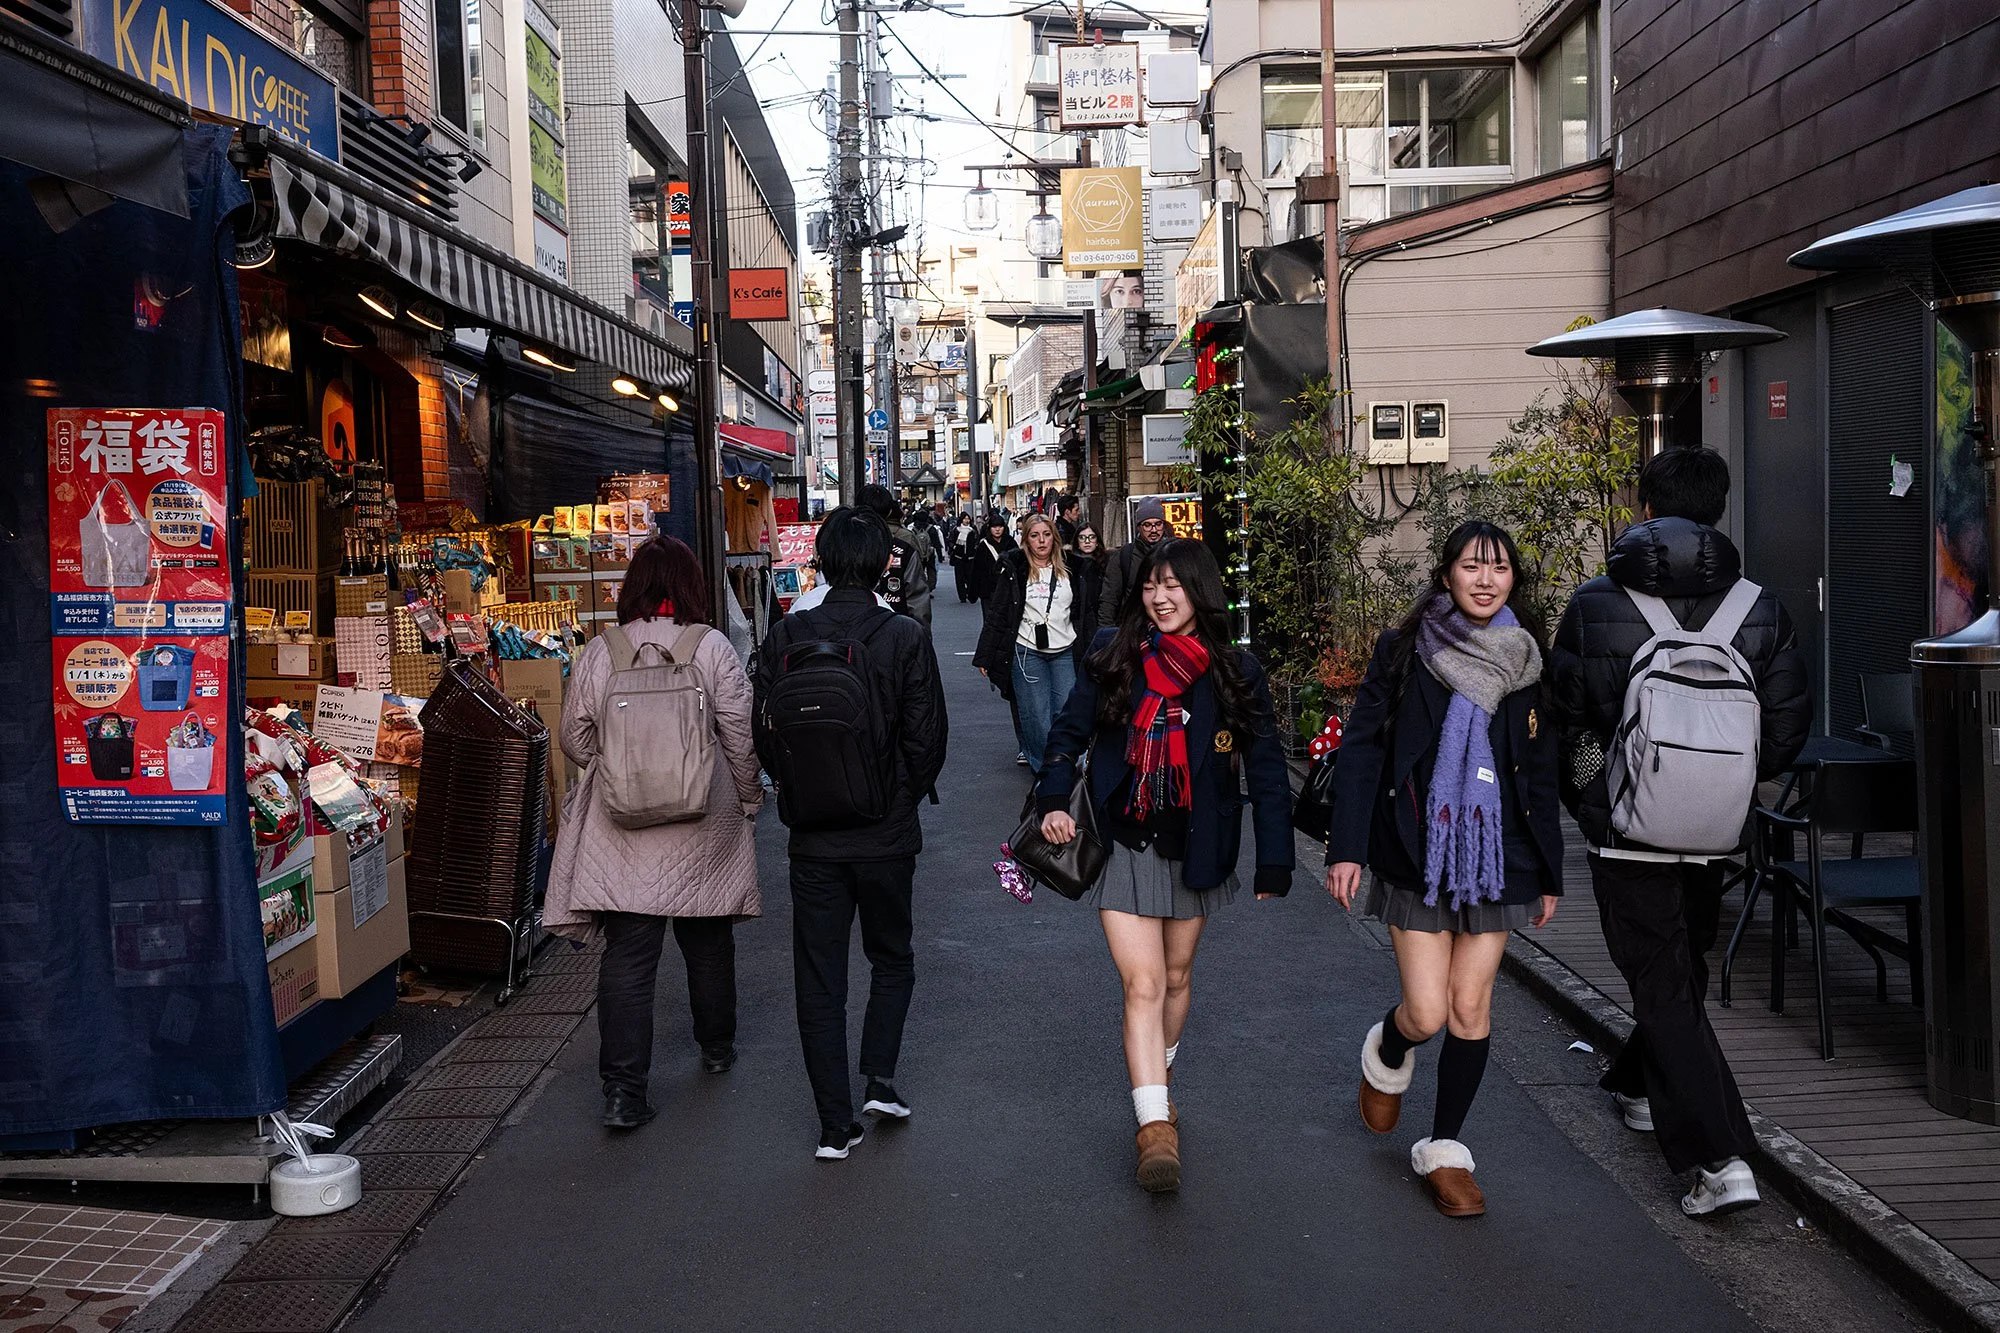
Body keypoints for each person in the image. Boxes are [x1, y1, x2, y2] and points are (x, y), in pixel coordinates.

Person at [1551, 446, 1810, 1218]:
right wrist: (1719, 784)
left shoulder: (1598, 602)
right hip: (1717, 830)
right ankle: (1638, 1084)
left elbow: (1572, 723)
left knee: (1662, 976)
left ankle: (1717, 1158)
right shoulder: (1760, 607)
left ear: (1642, 505)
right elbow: (1786, 732)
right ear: (1720, 508)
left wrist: (1604, 797)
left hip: (1628, 833)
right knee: (1678, 963)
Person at [1036, 538, 1295, 1193]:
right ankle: (1155, 1127)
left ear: (1200, 590)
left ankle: (1163, 1066)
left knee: (1176, 977)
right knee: (1144, 985)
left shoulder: (1233, 668)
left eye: (1174, 585)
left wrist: (1275, 860)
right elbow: (1067, 734)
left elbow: (1265, 768)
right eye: (1152, 585)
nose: (1160, 596)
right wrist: (1051, 800)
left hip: (1197, 843)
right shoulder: (1112, 652)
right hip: (1122, 838)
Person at [1326, 522, 1563, 1218]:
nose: (1486, 580)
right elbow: (1364, 747)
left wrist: (1550, 868)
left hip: (1501, 855)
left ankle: (1447, 1146)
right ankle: (1388, 1045)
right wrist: (1346, 847)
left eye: (1499, 569)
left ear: (1514, 578)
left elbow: (1542, 768)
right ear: (1446, 575)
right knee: (1426, 1010)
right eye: (1471, 567)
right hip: (1416, 848)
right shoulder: (1404, 650)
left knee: (1470, 1006)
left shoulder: (1526, 657)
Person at [543, 536, 763, 1130]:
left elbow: (573, 737)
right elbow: (739, 733)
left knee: (630, 956)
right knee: (708, 941)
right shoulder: (710, 646)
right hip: (703, 820)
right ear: (690, 585)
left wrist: (619, 765)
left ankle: (622, 1093)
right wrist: (747, 795)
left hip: (622, 823)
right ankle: (716, 1048)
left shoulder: (602, 651)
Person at [753, 507, 950, 1162]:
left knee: (819, 977)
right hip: (887, 834)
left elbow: (766, 734)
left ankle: (835, 1126)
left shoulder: (786, 634)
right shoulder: (901, 636)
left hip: (813, 838)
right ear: (883, 563)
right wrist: (897, 796)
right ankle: (880, 1078)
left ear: (823, 560)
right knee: (892, 955)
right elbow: (928, 741)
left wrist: (803, 790)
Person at [974, 513, 1094, 778]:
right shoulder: (1014, 568)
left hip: (1065, 649)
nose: (1042, 541)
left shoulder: (1074, 569)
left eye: (1047, 534)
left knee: (1065, 711)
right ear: (1026, 540)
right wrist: (985, 655)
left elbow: (1085, 614)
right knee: (1036, 718)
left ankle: (1067, 764)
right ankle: (1047, 771)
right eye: (1035, 535)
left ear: (1055, 536)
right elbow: (998, 612)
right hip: (1026, 649)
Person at [860, 484, 933, 629]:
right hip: (897, 628)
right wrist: (921, 639)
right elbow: (917, 600)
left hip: (854, 632)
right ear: (889, 512)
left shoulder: (845, 546)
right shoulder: (903, 545)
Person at [1099, 497, 1169, 624]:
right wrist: (1106, 632)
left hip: (1168, 627)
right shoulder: (1124, 556)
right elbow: (1109, 599)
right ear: (1139, 527)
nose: (1153, 530)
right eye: (1147, 525)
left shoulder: (1174, 554)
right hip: (1134, 629)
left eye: (1158, 524)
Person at [967, 511, 1015, 604]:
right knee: (989, 617)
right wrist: (973, 592)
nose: (997, 529)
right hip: (988, 590)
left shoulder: (1010, 542)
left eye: (1000, 527)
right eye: (994, 527)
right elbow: (976, 569)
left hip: (1007, 588)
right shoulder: (983, 545)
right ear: (989, 528)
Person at [1073, 523, 1108, 621]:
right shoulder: (1070, 565)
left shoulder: (1108, 563)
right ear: (1077, 542)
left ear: (1097, 541)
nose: (1087, 541)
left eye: (1091, 537)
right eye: (1082, 538)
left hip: (1101, 615)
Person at [951, 512, 978, 602]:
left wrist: (974, 549)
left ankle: (969, 593)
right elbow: (951, 541)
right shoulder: (956, 529)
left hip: (970, 558)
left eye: (968, 519)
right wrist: (954, 547)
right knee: (960, 579)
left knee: (970, 578)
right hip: (958, 557)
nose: (967, 520)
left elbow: (977, 541)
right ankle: (962, 596)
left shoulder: (973, 530)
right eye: (965, 518)